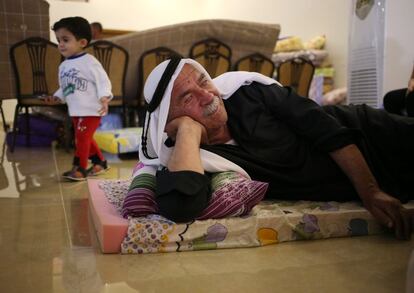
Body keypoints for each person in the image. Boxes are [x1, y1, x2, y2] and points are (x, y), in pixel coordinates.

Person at [137, 57, 413, 240]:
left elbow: (328, 130)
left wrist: (371, 192)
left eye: (203, 81)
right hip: (362, 180)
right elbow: (181, 206)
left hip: (370, 135)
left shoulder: (248, 91)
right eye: (188, 98)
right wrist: (188, 130)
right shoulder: (187, 155)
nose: (207, 95)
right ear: (168, 121)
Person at [45, 16, 112, 181]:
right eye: (58, 40)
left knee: (81, 138)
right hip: (75, 109)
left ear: (82, 42)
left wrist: (104, 97)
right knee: (85, 138)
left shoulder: (90, 62)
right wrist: (56, 97)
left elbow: (103, 81)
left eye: (65, 39)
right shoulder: (64, 66)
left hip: (91, 109)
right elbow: (66, 87)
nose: (60, 44)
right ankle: (100, 163)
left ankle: (80, 169)